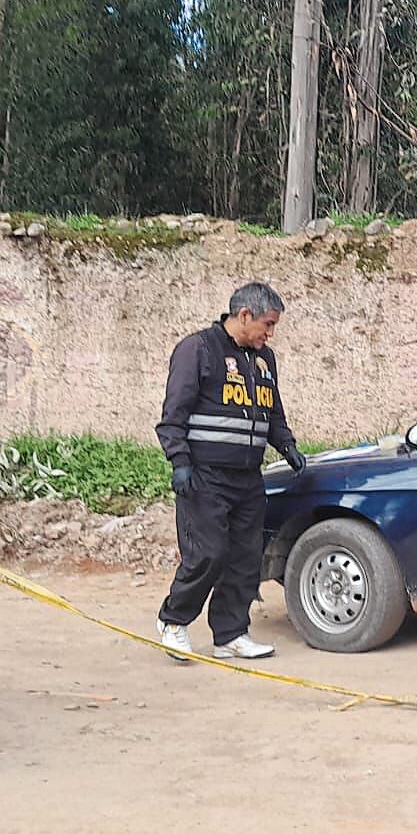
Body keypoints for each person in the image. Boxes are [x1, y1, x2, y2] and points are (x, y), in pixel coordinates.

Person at [154, 282, 306, 661]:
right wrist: (180, 463)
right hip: (205, 476)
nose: (270, 334)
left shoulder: (264, 359)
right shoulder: (199, 349)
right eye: (267, 324)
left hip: (248, 478)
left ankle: (230, 634)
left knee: (245, 558)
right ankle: (173, 621)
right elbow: (173, 415)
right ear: (244, 315)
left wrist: (287, 445)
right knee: (208, 554)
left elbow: (272, 411)